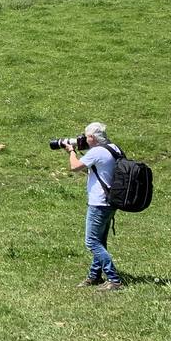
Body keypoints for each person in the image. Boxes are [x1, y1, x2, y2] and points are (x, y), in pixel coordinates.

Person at [65, 121, 124, 291]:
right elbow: (98, 170)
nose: (84, 138)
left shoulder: (97, 151)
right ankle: (95, 275)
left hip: (99, 203)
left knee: (91, 242)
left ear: (92, 137)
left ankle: (113, 279)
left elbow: (74, 167)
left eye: (86, 136)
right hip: (111, 201)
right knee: (100, 241)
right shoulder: (113, 148)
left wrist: (71, 151)